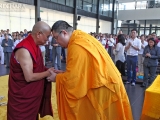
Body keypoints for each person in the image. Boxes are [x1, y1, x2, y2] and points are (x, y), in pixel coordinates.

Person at [47, 20, 133, 120]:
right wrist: (64, 73)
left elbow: (73, 80)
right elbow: (82, 70)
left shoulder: (76, 45)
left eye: (56, 38)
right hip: (108, 79)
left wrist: (57, 77)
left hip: (104, 85)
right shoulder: (81, 36)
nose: (56, 41)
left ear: (64, 33)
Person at [7, 21, 53, 120]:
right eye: (47, 36)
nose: (48, 40)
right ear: (39, 34)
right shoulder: (24, 49)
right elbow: (29, 77)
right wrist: (48, 73)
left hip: (31, 96)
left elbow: (38, 68)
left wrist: (51, 70)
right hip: (22, 99)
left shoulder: (35, 47)